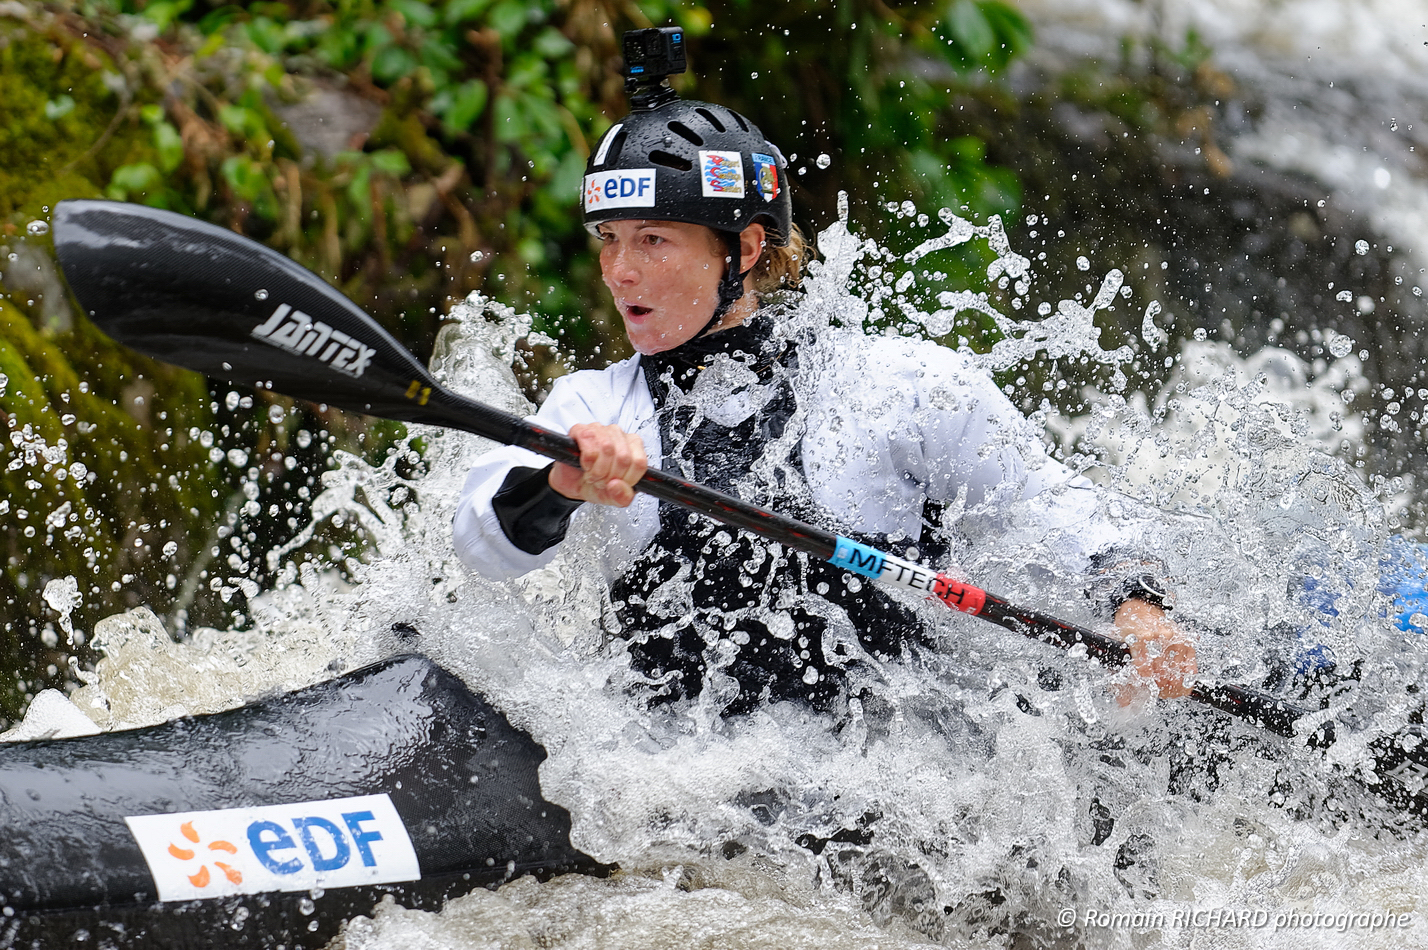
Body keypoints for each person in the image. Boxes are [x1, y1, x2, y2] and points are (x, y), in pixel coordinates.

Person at [452, 71, 1195, 716]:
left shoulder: (898, 386)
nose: (619, 271)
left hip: (903, 778)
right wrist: (561, 484)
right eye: (609, 239)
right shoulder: (590, 411)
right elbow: (481, 546)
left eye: (652, 240)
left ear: (744, 249)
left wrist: (1137, 604)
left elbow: (1056, 510)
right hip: (675, 782)